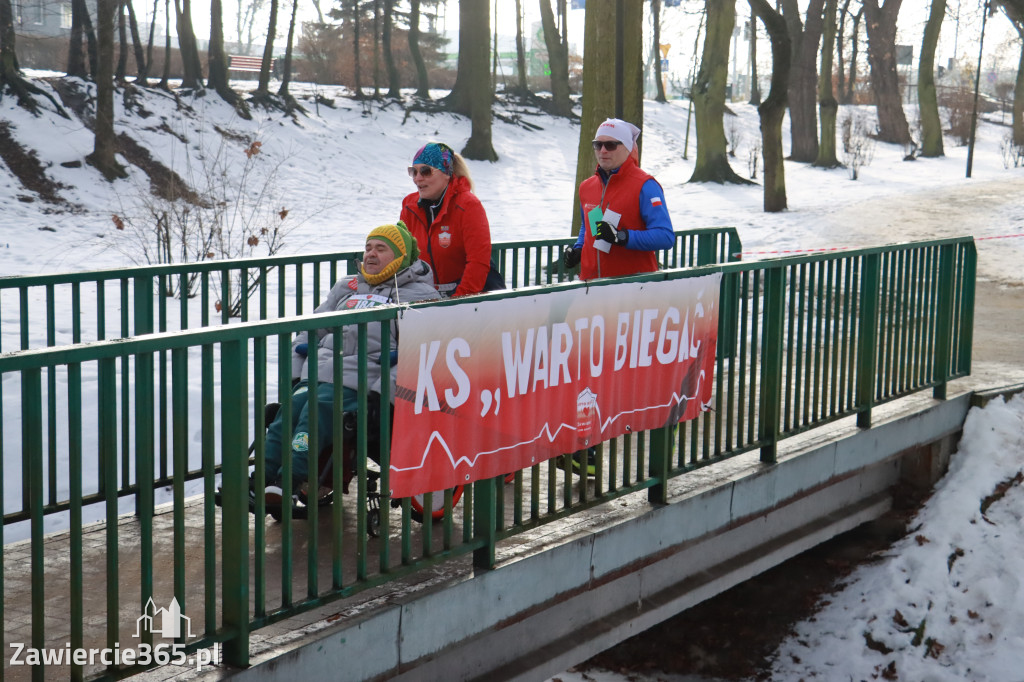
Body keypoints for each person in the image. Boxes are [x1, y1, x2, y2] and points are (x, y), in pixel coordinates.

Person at [261, 222, 440, 506]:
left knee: (317, 411)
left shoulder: (416, 295)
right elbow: (312, 327)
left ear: (400, 257)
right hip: (320, 373)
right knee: (288, 411)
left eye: (381, 249)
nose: (371, 254)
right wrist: (298, 370)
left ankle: (289, 480)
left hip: (362, 381)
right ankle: (261, 477)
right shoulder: (348, 287)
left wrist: (383, 393)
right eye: (368, 247)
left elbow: (418, 352)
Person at [563, 118, 675, 281]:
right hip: (590, 285)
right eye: (597, 145)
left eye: (610, 145)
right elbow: (586, 226)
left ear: (627, 148)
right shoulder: (586, 187)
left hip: (632, 288)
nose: (602, 151)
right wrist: (579, 249)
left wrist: (623, 237)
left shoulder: (646, 185)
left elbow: (665, 236)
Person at [399, 141, 499, 297]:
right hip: (428, 296)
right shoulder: (409, 206)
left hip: (473, 296)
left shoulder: (468, 205)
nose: (417, 178)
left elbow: (478, 262)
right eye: (413, 171)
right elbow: (402, 259)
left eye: (425, 171)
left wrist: (457, 300)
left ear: (446, 173)